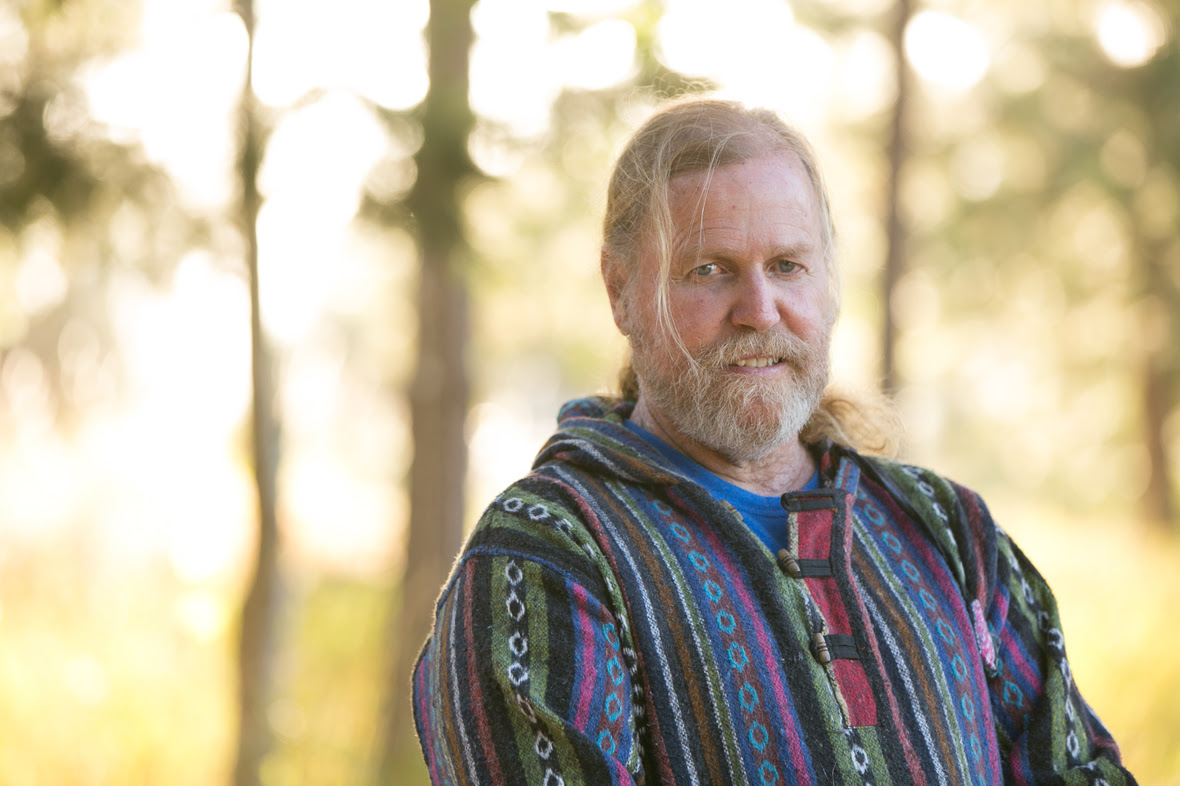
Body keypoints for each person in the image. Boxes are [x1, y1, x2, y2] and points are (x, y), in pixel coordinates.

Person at [411, 97, 1135, 785]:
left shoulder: (951, 531)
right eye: (709, 270)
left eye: (787, 266)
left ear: (829, 284)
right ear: (620, 290)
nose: (759, 311)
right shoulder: (547, 557)